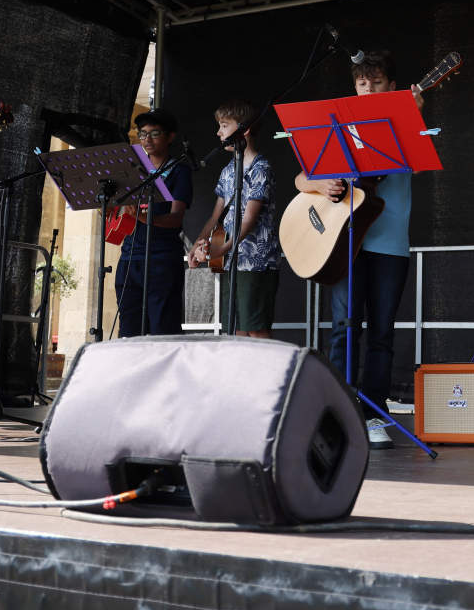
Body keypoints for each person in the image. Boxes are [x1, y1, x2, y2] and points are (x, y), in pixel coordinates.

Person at [295, 52, 426, 451]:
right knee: (344, 327)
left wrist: (413, 118)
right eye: (362, 84)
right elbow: (301, 179)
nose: (369, 90)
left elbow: (420, 162)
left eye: (377, 83)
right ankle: (338, 413)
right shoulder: (339, 129)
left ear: (392, 87)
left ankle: (373, 414)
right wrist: (322, 185)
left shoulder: (404, 126)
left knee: (381, 333)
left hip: (389, 244)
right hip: (344, 239)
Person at [189, 99, 281, 339]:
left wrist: (221, 249)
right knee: (236, 330)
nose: (219, 133)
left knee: (256, 330)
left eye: (224, 126)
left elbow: (249, 220)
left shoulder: (261, 168)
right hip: (231, 260)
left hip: (255, 260)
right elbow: (215, 217)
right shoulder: (228, 170)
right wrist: (196, 245)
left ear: (244, 129)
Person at [115, 108, 191, 338]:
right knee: (129, 334)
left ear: (170, 136)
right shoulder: (131, 170)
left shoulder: (179, 170)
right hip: (129, 258)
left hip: (162, 260)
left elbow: (176, 218)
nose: (147, 139)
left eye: (155, 133)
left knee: (163, 333)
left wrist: (143, 217)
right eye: (142, 133)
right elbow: (120, 213)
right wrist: (110, 211)